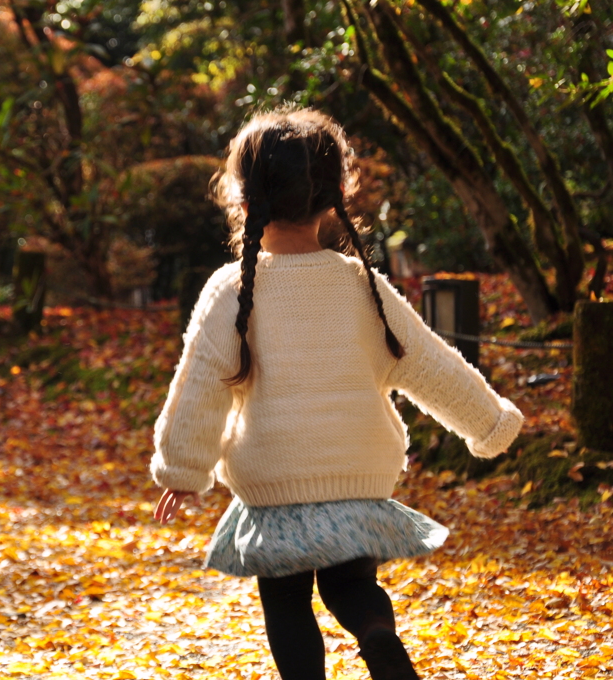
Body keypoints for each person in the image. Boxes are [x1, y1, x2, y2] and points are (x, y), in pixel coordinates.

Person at [149, 108, 523, 680]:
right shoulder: (362, 286)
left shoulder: (231, 290)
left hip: (274, 482)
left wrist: (181, 468)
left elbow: (199, 388)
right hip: (359, 474)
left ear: (243, 199)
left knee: (287, 600)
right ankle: (379, 641)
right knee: (353, 584)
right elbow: (431, 366)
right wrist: (490, 422)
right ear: (334, 197)